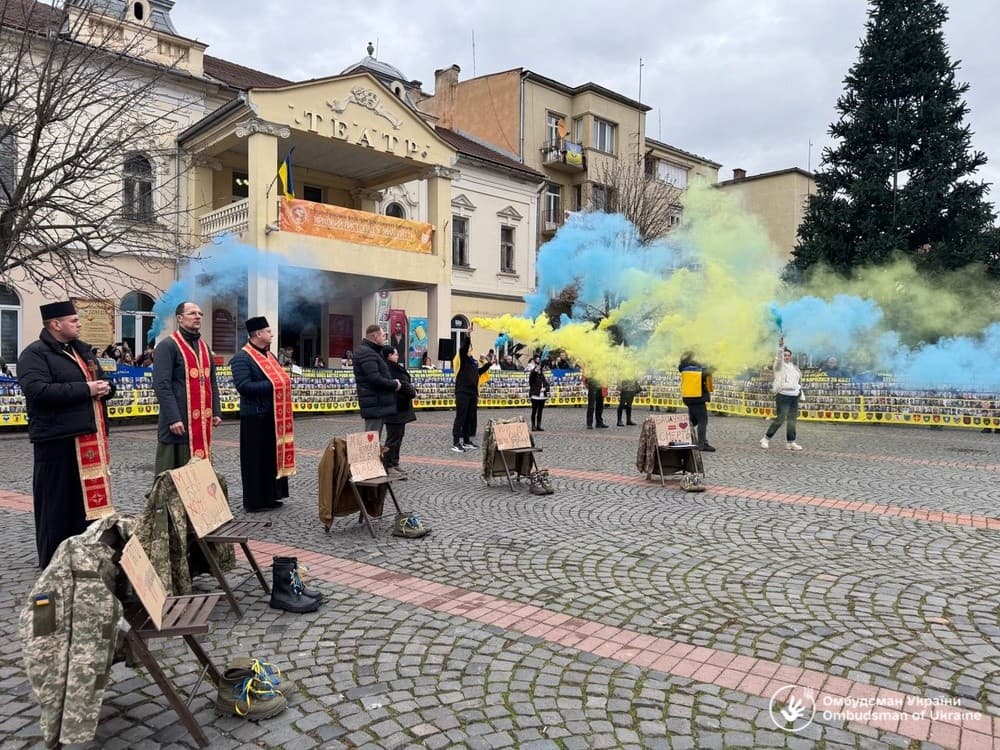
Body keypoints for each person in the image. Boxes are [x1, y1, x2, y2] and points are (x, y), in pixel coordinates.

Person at [17, 301, 115, 568]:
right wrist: (87, 389)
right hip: (57, 441)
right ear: (55, 325)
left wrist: (108, 387)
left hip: (89, 438)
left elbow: (102, 380)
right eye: (73, 320)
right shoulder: (34, 354)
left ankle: (86, 555)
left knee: (83, 504)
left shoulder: (83, 351)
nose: (79, 323)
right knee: (56, 504)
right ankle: (54, 560)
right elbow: (38, 391)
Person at [230, 317, 296, 512]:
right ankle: (255, 501)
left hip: (274, 414)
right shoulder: (242, 358)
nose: (272, 334)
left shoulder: (270, 355)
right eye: (268, 331)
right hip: (255, 416)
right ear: (257, 334)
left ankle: (271, 496)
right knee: (255, 460)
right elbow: (244, 387)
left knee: (270, 457)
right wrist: (274, 384)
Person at [152, 301, 222, 474]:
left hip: (201, 422)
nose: (197, 316)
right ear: (180, 318)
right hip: (179, 421)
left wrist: (216, 411)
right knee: (174, 472)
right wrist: (173, 418)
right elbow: (162, 385)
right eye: (192, 313)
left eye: (200, 313)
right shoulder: (167, 346)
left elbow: (211, 381)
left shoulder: (204, 347)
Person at [352, 324, 401, 434]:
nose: (385, 338)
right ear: (375, 337)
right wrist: (394, 384)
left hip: (377, 403)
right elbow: (374, 378)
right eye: (383, 336)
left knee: (373, 441)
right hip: (374, 404)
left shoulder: (373, 351)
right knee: (371, 441)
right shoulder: (367, 352)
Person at [760, 336, 804, 450]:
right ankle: (766, 438)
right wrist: (781, 347)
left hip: (794, 397)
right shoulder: (779, 366)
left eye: (788, 355)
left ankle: (791, 442)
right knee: (780, 419)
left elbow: (798, 381)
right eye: (785, 355)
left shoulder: (794, 367)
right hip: (783, 395)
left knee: (792, 420)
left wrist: (799, 392)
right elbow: (779, 359)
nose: (787, 357)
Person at [452, 337, 491, 452]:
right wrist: (468, 335)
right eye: (468, 347)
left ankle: (466, 440)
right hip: (462, 392)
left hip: (472, 393)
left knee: (469, 418)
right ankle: (455, 442)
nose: (469, 348)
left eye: (470, 347)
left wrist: (488, 364)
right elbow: (463, 349)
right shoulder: (462, 359)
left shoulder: (473, 362)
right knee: (461, 417)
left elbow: (478, 372)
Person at [382, 345, 416, 479]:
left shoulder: (395, 367)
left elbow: (404, 383)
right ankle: (388, 465)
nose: (397, 356)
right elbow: (401, 384)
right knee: (393, 438)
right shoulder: (388, 368)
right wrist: (412, 391)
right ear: (389, 356)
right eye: (396, 354)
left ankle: (394, 462)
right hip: (394, 407)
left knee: (399, 436)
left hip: (401, 406)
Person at [678, 353, 715, 451]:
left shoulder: (685, 367)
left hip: (689, 398)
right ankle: (701, 444)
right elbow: (707, 372)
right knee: (703, 421)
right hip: (697, 398)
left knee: (693, 421)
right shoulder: (696, 369)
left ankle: (684, 438)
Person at [528, 356, 550, 431]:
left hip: (542, 396)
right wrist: (535, 370)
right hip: (535, 395)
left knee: (540, 411)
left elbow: (547, 385)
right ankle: (533, 425)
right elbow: (531, 379)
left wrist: (545, 389)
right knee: (534, 411)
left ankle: (538, 425)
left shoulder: (542, 376)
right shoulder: (533, 375)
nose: (539, 370)